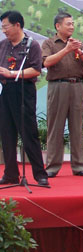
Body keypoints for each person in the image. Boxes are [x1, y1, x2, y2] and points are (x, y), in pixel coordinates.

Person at [0, 11, 49, 186]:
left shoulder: (31, 45)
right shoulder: (3, 45)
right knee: (7, 133)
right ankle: (11, 173)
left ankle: (40, 174)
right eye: (2, 27)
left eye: (6, 26)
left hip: (23, 90)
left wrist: (12, 73)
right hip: (5, 90)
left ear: (17, 25)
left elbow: (36, 70)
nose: (4, 31)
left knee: (28, 133)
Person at [42, 12, 83, 178]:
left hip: (77, 86)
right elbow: (46, 62)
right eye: (68, 24)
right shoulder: (49, 43)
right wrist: (66, 50)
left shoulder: (77, 43)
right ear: (58, 26)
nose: (72, 27)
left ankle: (79, 166)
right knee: (55, 127)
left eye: (72, 24)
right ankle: (52, 166)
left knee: (77, 127)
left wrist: (78, 50)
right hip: (58, 86)